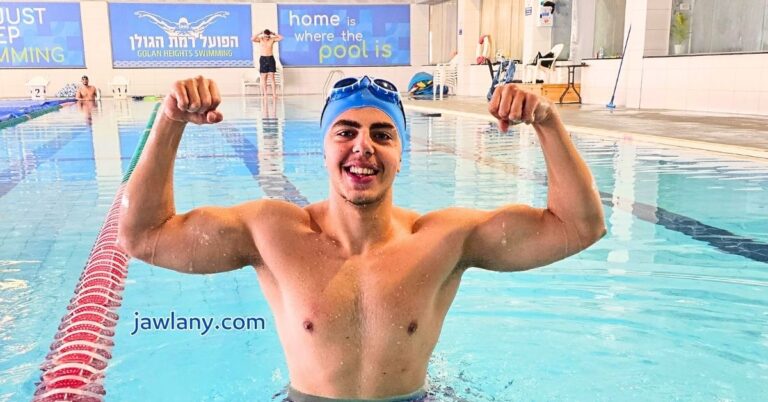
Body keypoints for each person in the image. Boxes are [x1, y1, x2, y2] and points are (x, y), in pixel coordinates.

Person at [118, 75, 606, 401]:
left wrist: (547, 120)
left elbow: (578, 227)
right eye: (346, 131)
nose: (363, 147)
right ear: (323, 148)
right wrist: (170, 119)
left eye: (383, 135)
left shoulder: (444, 239)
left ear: (401, 155)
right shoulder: (272, 232)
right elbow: (144, 236)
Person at [251, 29, 283, 99]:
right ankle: (265, 94)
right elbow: (252, 39)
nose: (267, 38)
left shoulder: (272, 39)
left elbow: (281, 38)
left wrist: (273, 33)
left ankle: (274, 94)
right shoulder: (260, 39)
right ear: (263, 35)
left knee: (272, 77)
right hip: (263, 59)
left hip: (271, 59)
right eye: (266, 36)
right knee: (264, 78)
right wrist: (259, 32)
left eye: (268, 36)